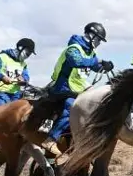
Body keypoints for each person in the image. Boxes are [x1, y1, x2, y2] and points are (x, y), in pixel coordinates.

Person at [42, 22, 113, 160]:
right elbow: (77, 61)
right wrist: (97, 61)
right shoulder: (73, 48)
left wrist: (104, 67)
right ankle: (50, 139)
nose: (98, 43)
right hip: (63, 87)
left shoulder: (90, 52)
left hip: (78, 89)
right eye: (98, 39)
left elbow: (92, 66)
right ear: (91, 36)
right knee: (72, 108)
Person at [0, 38, 36, 106]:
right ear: (20, 48)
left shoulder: (23, 64)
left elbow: (26, 76)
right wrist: (2, 77)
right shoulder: (1, 57)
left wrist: (23, 80)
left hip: (16, 95)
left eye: (29, 54)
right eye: (27, 53)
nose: (28, 56)